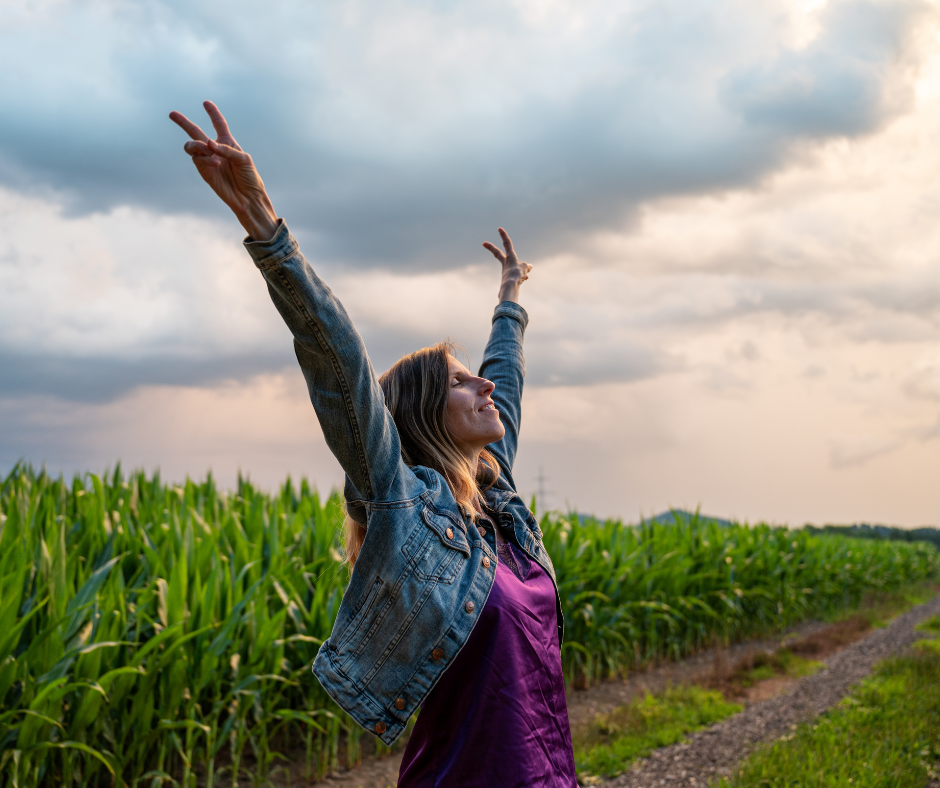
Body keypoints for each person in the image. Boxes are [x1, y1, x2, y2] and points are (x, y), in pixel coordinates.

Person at [170, 101, 577, 787]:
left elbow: (503, 377)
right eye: (458, 382)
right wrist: (267, 228)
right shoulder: (404, 505)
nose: (482, 387)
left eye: (477, 378)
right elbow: (340, 367)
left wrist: (510, 300)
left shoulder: (496, 496)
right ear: (423, 417)